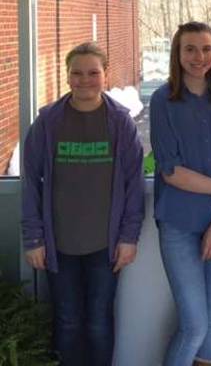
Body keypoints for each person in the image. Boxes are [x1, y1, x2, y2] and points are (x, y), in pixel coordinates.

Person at [22, 42, 145, 366]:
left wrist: (129, 237)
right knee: (66, 322)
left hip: (105, 248)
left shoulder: (120, 123)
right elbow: (30, 182)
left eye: (93, 72)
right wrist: (33, 238)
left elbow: (134, 186)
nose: (84, 80)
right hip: (58, 246)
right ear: (67, 76)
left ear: (105, 75)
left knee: (99, 322)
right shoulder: (48, 122)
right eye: (77, 73)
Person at [150, 21, 211, 366]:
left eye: (206, 49)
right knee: (195, 324)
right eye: (190, 49)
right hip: (178, 222)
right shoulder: (163, 100)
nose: (199, 56)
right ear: (177, 54)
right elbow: (171, 170)